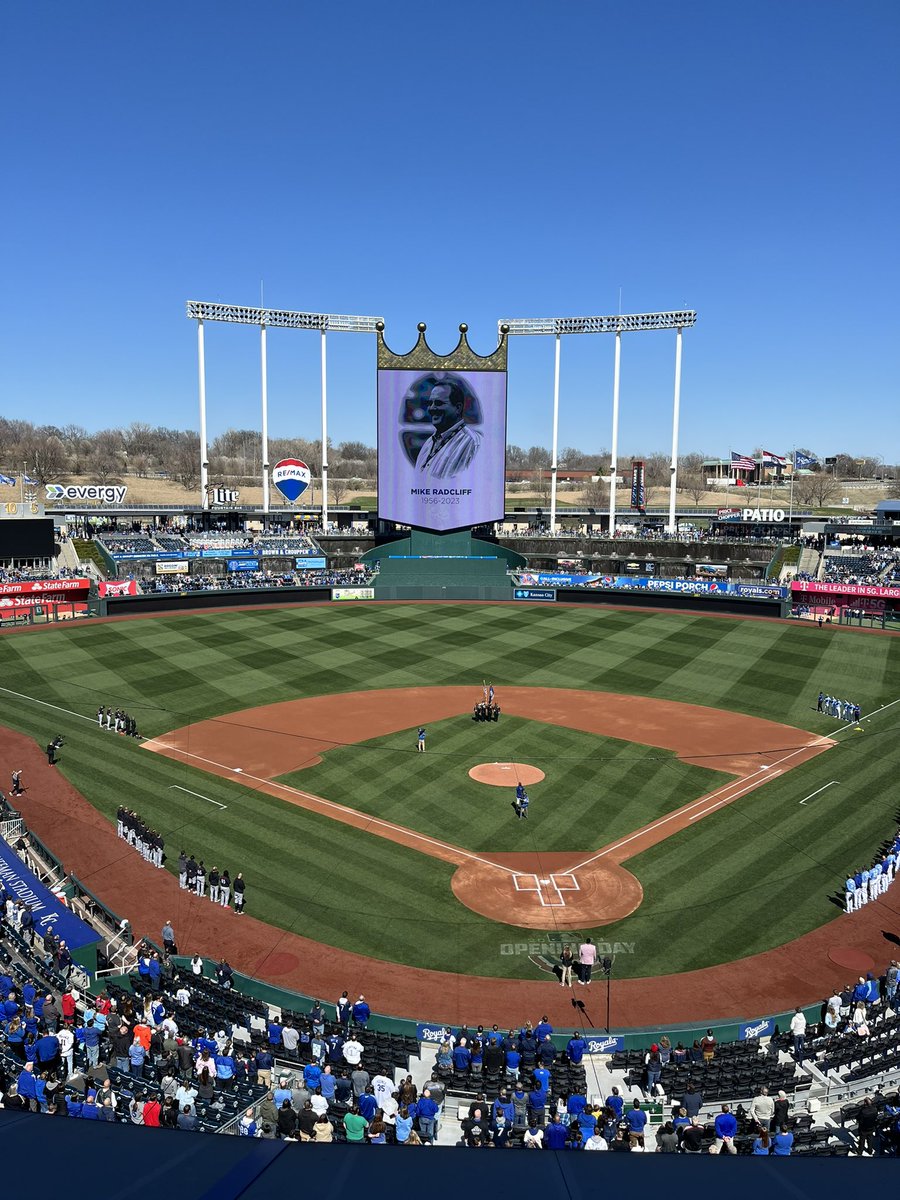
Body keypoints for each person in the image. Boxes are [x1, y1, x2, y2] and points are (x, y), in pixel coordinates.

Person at [413, 379, 482, 479]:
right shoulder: (429, 443)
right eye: (430, 403)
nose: (431, 408)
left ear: (458, 408)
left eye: (438, 403)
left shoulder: (473, 443)